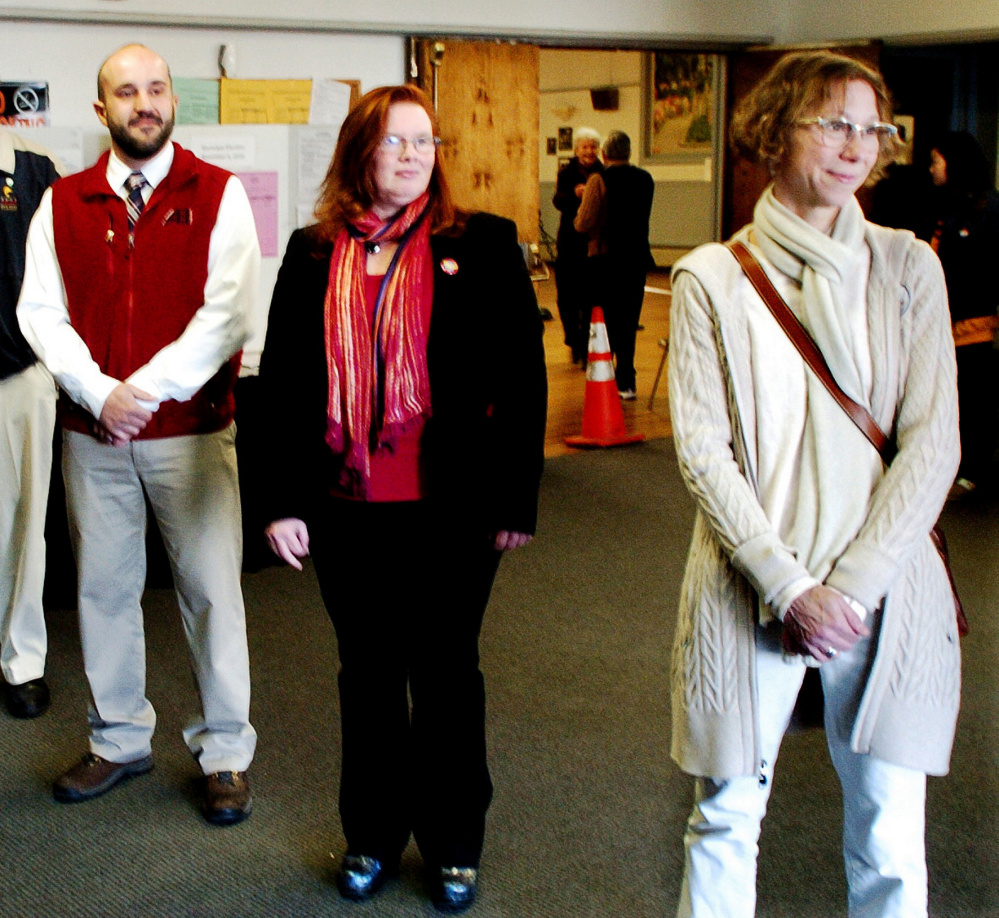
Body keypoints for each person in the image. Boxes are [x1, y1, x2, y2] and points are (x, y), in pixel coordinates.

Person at [666, 50, 960, 918]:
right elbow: (701, 451)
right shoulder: (712, 277)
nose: (856, 145)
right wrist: (789, 586)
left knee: (889, 836)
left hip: (886, 591)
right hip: (751, 587)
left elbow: (933, 443)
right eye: (832, 122)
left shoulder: (908, 268)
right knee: (723, 819)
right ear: (771, 131)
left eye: (873, 128)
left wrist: (852, 588)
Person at [260, 84, 546, 912]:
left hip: (450, 507)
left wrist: (514, 501)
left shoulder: (481, 245)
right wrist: (280, 501)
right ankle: (371, 836)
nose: (415, 155)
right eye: (396, 142)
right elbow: (281, 385)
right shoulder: (313, 252)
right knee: (369, 676)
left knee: (448, 673)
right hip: (347, 508)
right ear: (360, 153)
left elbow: (521, 383)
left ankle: (456, 842)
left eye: (426, 141)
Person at [17, 44, 260, 826]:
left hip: (191, 434)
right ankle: (118, 738)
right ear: (102, 110)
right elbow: (39, 313)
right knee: (104, 593)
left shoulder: (217, 194)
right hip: (94, 438)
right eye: (126, 92)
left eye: (155, 89)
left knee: (212, 595)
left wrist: (145, 392)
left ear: (171, 100)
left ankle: (224, 751)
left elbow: (225, 314)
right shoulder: (64, 201)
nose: (143, 103)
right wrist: (99, 393)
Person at [0, 128, 63, 719]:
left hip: (18, 376)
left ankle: (21, 662)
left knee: (23, 527)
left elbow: (73, 264)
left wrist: (52, 361)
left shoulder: (33, 173)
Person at [921, 131, 999, 499]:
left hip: (976, 324)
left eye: (937, 160)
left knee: (974, 397)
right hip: (944, 324)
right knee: (949, 396)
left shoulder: (989, 210)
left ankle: (974, 470)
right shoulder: (943, 207)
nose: (932, 168)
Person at [574, 129, 654, 399]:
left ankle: (604, 377)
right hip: (637, 258)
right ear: (629, 153)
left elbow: (583, 222)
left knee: (605, 320)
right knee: (629, 319)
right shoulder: (645, 179)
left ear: (605, 154)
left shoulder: (599, 179)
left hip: (606, 259)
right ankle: (627, 382)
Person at [552, 127, 603, 364]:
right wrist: (574, 194)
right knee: (566, 296)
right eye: (585, 147)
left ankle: (585, 344)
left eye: (593, 146)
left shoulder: (604, 172)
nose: (589, 151)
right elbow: (558, 201)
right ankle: (572, 337)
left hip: (593, 243)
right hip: (570, 241)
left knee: (589, 296)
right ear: (576, 149)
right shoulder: (567, 172)